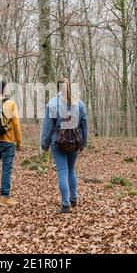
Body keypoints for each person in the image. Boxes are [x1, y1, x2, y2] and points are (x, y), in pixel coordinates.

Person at [41, 78, 88, 214]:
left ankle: (65, 205)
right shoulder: (79, 103)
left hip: (58, 142)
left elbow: (47, 126)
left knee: (63, 172)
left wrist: (44, 143)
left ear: (57, 88)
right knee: (71, 169)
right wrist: (84, 142)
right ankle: (73, 198)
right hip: (74, 141)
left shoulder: (52, 103)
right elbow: (84, 124)